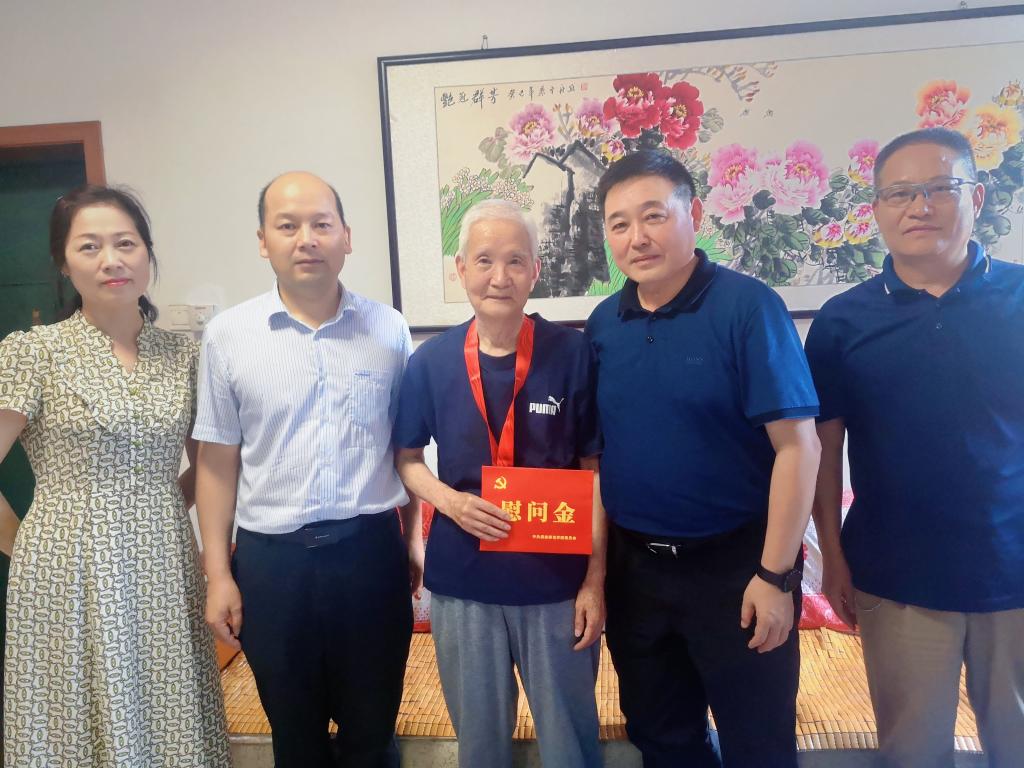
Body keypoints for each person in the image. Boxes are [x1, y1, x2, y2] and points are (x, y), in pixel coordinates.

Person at [585, 150, 821, 767]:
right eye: (618, 224)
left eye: (654, 215)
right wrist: (596, 576)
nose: (637, 237)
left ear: (694, 215)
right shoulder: (604, 324)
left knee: (758, 744)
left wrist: (775, 577)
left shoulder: (748, 308)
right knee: (663, 741)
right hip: (637, 574)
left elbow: (799, 445)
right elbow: (597, 461)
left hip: (737, 569)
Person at [805, 127, 1024, 768]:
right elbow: (823, 451)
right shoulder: (842, 321)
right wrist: (832, 556)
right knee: (912, 751)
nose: (919, 207)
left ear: (976, 197)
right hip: (897, 576)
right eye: (900, 193)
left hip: (1014, 568)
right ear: (876, 209)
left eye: (939, 188)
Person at [194, 171, 422, 768]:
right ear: (262, 241)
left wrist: (414, 537)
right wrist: (218, 574)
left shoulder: (389, 330)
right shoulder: (227, 336)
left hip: (369, 556)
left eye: (322, 224)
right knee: (295, 739)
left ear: (347, 236)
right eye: (287, 225)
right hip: (272, 566)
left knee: (372, 735)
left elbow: (407, 448)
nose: (306, 239)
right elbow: (216, 464)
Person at [0, 185, 230, 767]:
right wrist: (22, 544)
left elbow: (208, 466)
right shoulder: (34, 353)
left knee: (167, 711)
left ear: (148, 254)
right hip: (65, 569)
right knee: (75, 721)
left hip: (165, 560)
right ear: (63, 262)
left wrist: (160, 502)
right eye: (89, 246)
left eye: (126, 243)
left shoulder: (184, 355)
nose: (111, 260)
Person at [393, 199, 605, 768]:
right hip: (464, 584)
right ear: (461, 269)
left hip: (556, 585)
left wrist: (594, 582)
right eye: (484, 260)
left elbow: (594, 473)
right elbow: (407, 459)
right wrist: (451, 502)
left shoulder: (574, 353)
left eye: (515, 261)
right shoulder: (431, 362)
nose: (499, 276)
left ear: (537, 270)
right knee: (481, 747)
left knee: (571, 746)